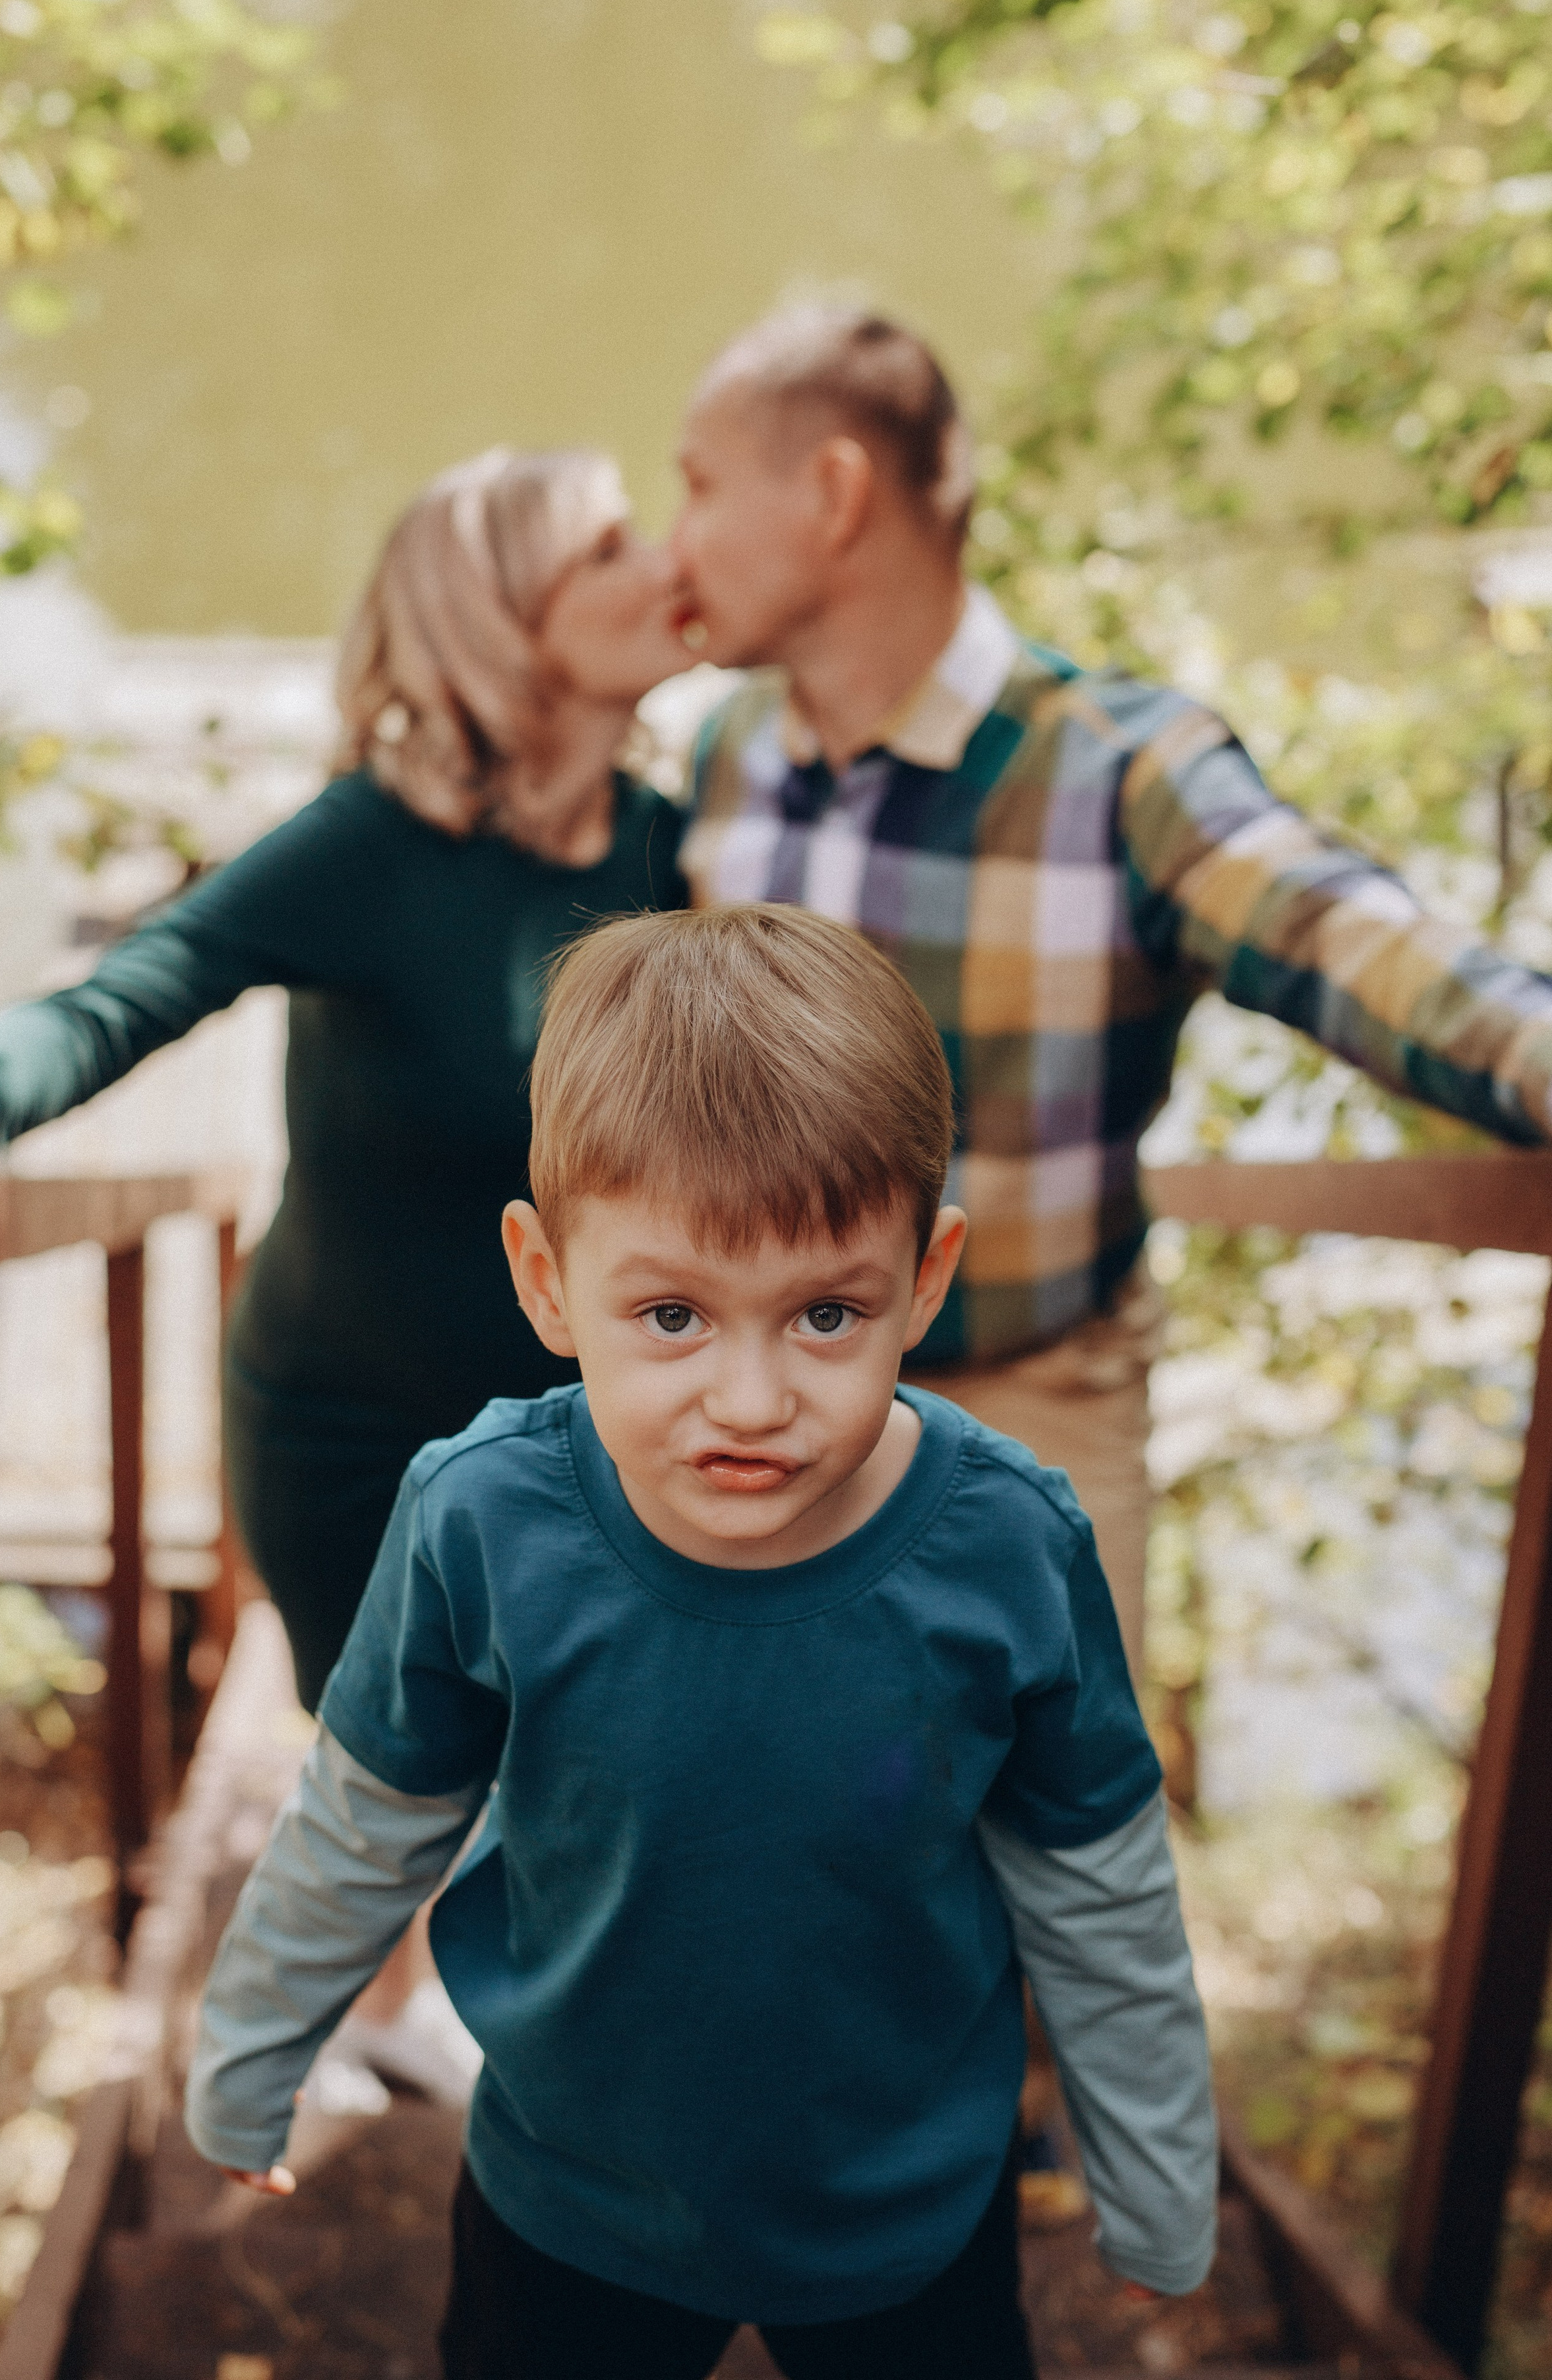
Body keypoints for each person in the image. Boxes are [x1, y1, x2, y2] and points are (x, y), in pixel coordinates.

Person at [185, 904, 1217, 2379]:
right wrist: (249, 2054)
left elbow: (1098, 1892)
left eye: (824, 1315)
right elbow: (366, 1823)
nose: (747, 1398)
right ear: (546, 1281)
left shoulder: (1005, 1546)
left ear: (922, 1281)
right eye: (671, 1313)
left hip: (909, 2214)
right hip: (567, 2204)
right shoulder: (483, 1521)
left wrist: (1155, 2175)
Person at [669, 306, 1552, 1673]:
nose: (677, 541)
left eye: (699, 485)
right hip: (748, 1402)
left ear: (833, 495)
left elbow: (1357, 947)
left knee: (1056, 1864)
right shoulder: (726, 755)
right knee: (758, 1854)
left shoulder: (1116, 771)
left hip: (1028, 1404)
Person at [0, 448, 686, 1707]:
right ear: (503, 618)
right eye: (613, 548)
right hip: (360, 1451)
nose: (672, 560)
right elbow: (130, 991)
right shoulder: (371, 843)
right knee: (411, 1833)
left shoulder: (684, 856)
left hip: (594, 1450)